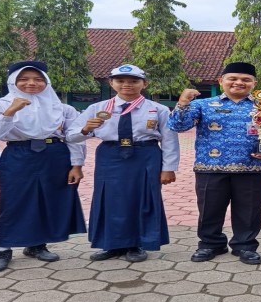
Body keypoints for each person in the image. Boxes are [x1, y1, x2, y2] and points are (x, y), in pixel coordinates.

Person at [170, 62, 261, 265]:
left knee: (250, 211)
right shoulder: (203, 105)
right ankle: (210, 244)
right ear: (221, 81)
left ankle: (245, 246)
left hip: (255, 167)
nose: (239, 82)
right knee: (209, 209)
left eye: (246, 79)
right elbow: (177, 126)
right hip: (210, 166)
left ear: (254, 83)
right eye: (232, 78)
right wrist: (183, 102)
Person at [0, 61, 87, 272]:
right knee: (13, 202)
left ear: (47, 82)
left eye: (38, 79)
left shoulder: (61, 108)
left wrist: (77, 165)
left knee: (47, 200)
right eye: (24, 79)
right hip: (19, 154)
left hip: (55, 155)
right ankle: (3, 249)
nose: (31, 83)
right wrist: (10, 112)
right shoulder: (0, 105)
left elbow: (74, 137)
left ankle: (37, 245)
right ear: (13, 82)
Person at [67, 64, 179, 262]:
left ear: (144, 84)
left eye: (134, 81)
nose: (127, 85)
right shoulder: (97, 108)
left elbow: (169, 140)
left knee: (142, 198)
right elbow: (71, 136)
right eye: (120, 81)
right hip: (110, 155)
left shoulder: (158, 109)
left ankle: (137, 243)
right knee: (110, 198)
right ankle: (111, 243)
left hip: (146, 155)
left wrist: (168, 168)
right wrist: (85, 129)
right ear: (111, 83)